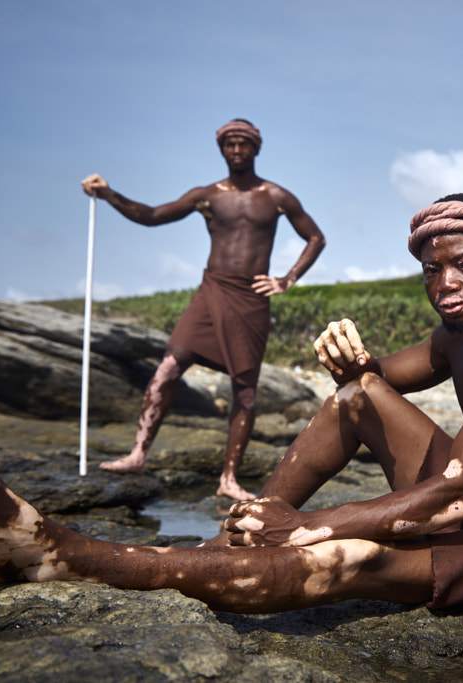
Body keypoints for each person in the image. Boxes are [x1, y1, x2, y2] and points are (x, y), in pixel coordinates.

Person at [0, 195, 463, 615]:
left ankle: (79, 559)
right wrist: (348, 360)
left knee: (350, 557)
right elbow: (369, 381)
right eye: (433, 270)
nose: (446, 283)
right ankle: (229, 542)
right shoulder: (453, 338)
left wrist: (310, 525)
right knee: (357, 396)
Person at [80, 119, 326, 500]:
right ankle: (137, 455)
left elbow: (315, 237)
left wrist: (287, 279)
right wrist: (109, 194)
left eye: (244, 144)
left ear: (256, 149)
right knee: (168, 368)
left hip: (250, 299)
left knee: (244, 392)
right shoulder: (206, 195)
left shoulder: (277, 196)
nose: (237, 150)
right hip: (212, 291)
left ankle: (228, 480)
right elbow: (151, 216)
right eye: (230, 144)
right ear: (222, 149)